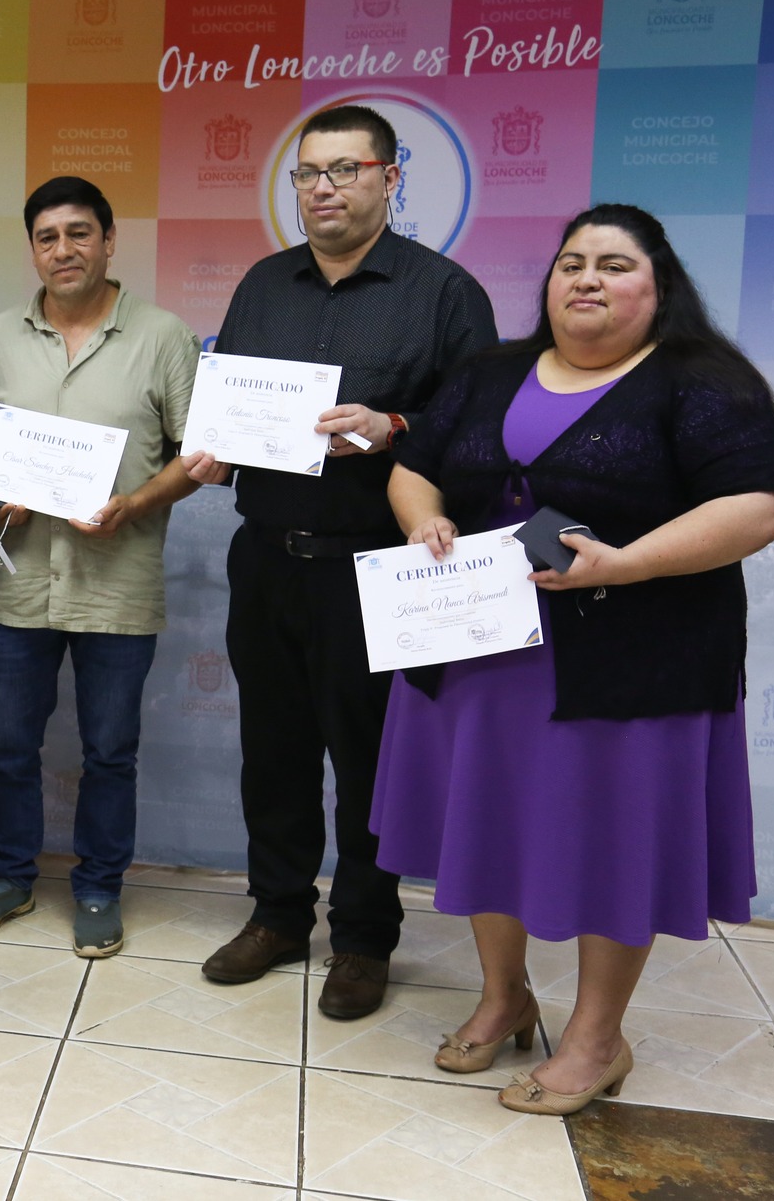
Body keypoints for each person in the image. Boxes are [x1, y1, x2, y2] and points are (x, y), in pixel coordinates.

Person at [373, 205, 774, 1113]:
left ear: (658, 284)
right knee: (488, 825)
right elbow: (414, 466)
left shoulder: (704, 380)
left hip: (636, 665)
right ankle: (503, 996)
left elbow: (755, 508)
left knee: (613, 844)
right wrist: (422, 518)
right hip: (482, 654)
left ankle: (599, 1040)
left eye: (613, 264)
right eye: (571, 263)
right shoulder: (489, 372)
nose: (587, 279)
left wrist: (628, 562)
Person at [199, 104, 497, 1020]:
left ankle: (364, 938)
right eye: (306, 173)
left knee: (370, 763)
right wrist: (215, 444)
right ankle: (280, 912)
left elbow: (480, 431)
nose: (321, 189)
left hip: (378, 566)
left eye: (343, 170)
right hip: (268, 557)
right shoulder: (262, 283)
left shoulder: (445, 292)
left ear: (388, 176)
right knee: (274, 753)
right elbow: (238, 403)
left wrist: (394, 426)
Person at [0, 176, 201, 959]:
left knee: (109, 750)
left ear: (109, 239)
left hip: (116, 581)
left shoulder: (163, 335)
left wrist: (130, 503)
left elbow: (195, 457)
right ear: (33, 247)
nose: (64, 249)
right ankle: (10, 874)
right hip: (19, 580)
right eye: (48, 236)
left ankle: (98, 884)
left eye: (79, 233)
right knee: (9, 746)